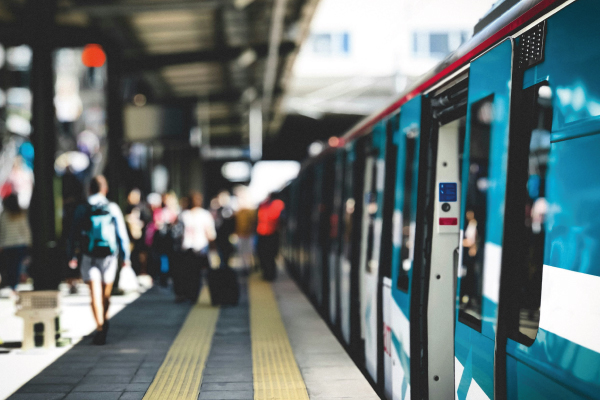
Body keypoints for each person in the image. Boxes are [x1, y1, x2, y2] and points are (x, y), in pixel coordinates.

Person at [67, 175, 131, 345]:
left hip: (89, 255)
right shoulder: (112, 207)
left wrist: (72, 255)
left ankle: (100, 327)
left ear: (90, 189)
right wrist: (126, 257)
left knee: (94, 294)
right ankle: (104, 319)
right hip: (109, 256)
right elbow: (122, 235)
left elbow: (72, 234)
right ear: (105, 189)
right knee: (106, 294)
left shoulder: (83, 207)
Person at [176, 191, 216, 302]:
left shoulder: (184, 215)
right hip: (201, 248)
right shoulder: (205, 215)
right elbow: (210, 234)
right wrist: (213, 248)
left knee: (188, 273)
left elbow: (178, 234)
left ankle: (188, 294)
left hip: (187, 248)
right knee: (200, 273)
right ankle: (195, 295)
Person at [0, 194, 32, 292]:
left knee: (9, 266)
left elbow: (2, 231)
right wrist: (29, 243)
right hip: (20, 244)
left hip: (7, 245)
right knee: (17, 266)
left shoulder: (4, 215)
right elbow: (26, 230)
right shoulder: (21, 214)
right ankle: (14, 286)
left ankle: (11, 285)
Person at [256, 193, 285, 281]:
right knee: (270, 255)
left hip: (266, 234)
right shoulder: (278, 205)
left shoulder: (263, 205)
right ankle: (270, 274)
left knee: (265, 255)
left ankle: (268, 274)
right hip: (271, 234)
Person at [234, 186, 256, 274]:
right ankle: (245, 267)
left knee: (248, 252)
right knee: (242, 252)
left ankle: (248, 267)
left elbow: (254, 222)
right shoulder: (237, 209)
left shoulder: (251, 208)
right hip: (241, 234)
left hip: (249, 234)